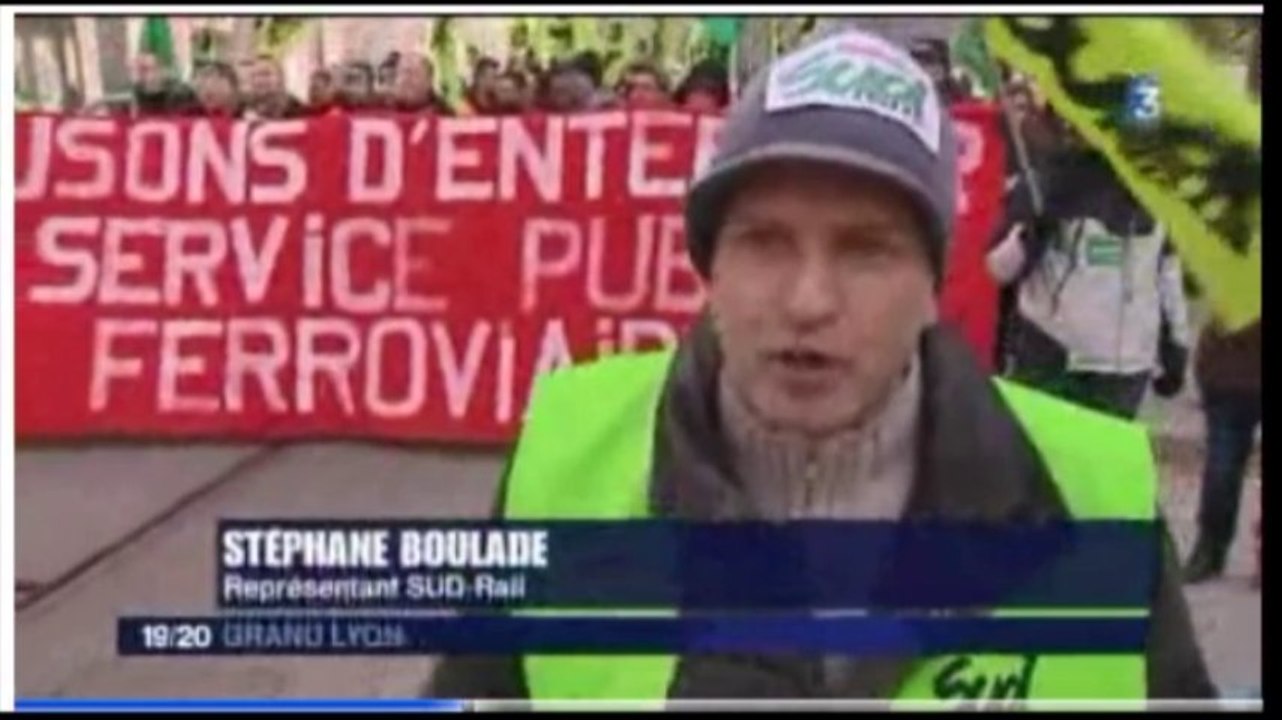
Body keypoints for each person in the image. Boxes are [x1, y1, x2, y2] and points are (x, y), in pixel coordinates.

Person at [427, 27, 1213, 702]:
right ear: (710, 269)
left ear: (934, 287)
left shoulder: (1097, 493)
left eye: (866, 250)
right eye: (764, 242)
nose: (808, 300)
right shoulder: (565, 455)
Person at [986, 121, 1192, 420]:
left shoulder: (1160, 195)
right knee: (1039, 461)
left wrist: (1177, 346)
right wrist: (1031, 233)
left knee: (1101, 466)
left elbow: (1168, 274)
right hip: (1052, 358)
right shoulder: (1052, 181)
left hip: (1125, 370)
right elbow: (997, 269)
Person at [1184, 32, 1263, 588]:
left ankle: (1214, 553)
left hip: (1230, 353)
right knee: (1222, 461)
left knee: (1224, 460)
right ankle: (1214, 549)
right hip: (1232, 355)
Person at [127, 51, 195, 116]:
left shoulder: (181, 93)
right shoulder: (138, 91)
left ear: (160, 69)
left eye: (145, 69)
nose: (141, 75)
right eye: (138, 70)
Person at [387, 52, 452, 115]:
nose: (406, 78)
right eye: (402, 72)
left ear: (429, 82)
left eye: (414, 73)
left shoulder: (445, 117)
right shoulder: (383, 110)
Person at [245, 54, 305, 119]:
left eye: (266, 74)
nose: (259, 80)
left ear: (280, 78)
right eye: (253, 76)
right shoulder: (243, 107)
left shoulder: (294, 108)